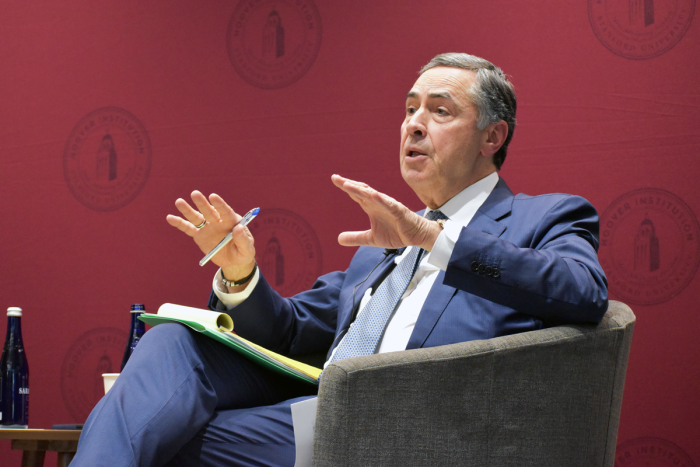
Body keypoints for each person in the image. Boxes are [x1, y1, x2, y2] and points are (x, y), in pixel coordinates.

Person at [72, 52, 608, 466]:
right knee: (170, 343)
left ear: (494, 136)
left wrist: (433, 239)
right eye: (409, 109)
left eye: (440, 111)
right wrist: (241, 274)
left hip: (407, 424)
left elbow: (583, 291)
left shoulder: (545, 217)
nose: (414, 124)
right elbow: (292, 332)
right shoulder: (383, 247)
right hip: (317, 409)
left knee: (152, 437)